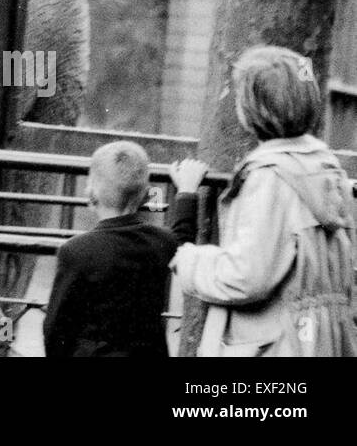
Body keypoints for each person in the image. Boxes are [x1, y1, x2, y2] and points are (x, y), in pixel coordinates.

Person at [169, 45, 356, 357]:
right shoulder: (327, 167)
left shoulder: (270, 178)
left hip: (274, 345)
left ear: (251, 109)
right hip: (320, 341)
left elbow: (247, 276)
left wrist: (189, 262)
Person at [42, 139, 176, 357]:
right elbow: (182, 238)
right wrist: (186, 195)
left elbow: (56, 328)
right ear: (145, 193)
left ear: (91, 191)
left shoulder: (76, 251)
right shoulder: (163, 242)